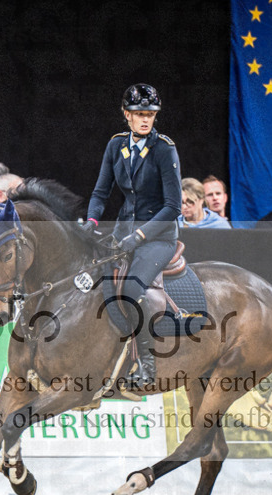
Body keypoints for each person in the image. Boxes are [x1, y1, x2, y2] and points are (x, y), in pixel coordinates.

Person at [85, 83, 182, 387]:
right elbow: (101, 192)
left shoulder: (165, 149)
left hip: (157, 237)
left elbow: (173, 206)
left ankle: (146, 364)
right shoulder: (116, 145)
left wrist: (140, 235)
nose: (145, 120)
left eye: (150, 115)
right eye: (139, 114)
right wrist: (91, 219)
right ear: (126, 114)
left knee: (130, 290)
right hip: (123, 232)